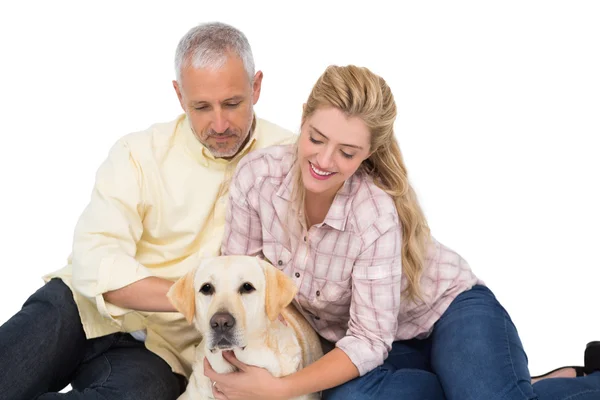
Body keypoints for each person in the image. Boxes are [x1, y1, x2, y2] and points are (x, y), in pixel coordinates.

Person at [209, 64, 600, 399]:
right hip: (384, 343)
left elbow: (367, 342)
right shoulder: (257, 177)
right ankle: (482, 385)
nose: (324, 161)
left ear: (368, 154)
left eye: (346, 153)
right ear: (302, 120)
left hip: (449, 311)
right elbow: (237, 278)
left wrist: (281, 388)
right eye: (316, 138)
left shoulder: (374, 212)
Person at [0, 21, 295, 399]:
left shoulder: (291, 160)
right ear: (178, 95)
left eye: (233, 103)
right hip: (78, 313)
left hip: (160, 354)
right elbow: (94, 258)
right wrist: (194, 294)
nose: (219, 123)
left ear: (256, 87)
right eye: (201, 107)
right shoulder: (138, 153)